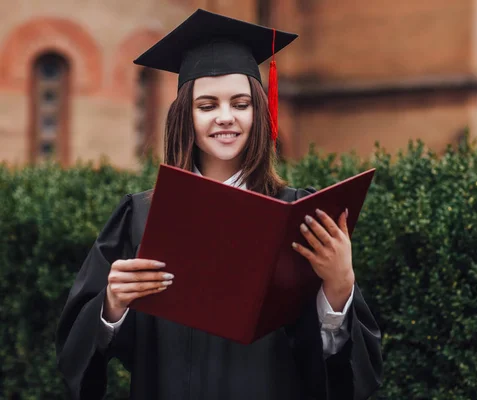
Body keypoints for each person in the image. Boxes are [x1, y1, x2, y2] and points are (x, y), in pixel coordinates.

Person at [55, 8, 382, 400]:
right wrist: (111, 306)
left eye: (240, 104)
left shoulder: (299, 214)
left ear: (259, 113)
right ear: (185, 117)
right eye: (207, 105)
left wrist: (339, 289)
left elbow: (342, 374)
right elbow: (80, 357)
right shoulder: (141, 217)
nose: (225, 118)